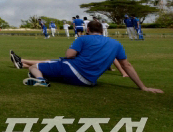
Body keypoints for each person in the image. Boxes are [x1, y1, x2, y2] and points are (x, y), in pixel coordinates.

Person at [9, 20, 163, 93]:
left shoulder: (82, 38)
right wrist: (143, 87)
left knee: (36, 68)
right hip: (88, 81)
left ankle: (40, 80)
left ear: (87, 29)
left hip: (73, 70)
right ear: (102, 30)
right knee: (53, 64)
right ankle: (21, 63)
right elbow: (127, 65)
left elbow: (69, 55)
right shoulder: (116, 44)